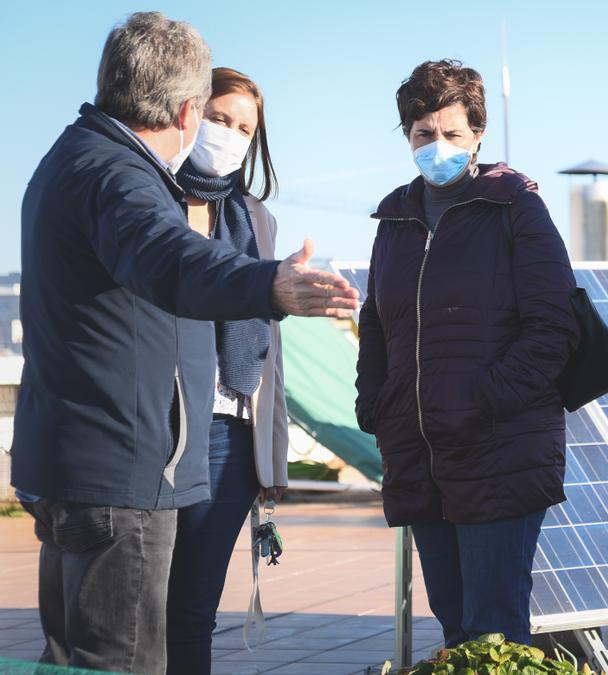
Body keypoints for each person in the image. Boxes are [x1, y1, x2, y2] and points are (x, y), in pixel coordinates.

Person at [11, 13, 357, 673]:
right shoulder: (120, 179)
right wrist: (270, 286)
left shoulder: (72, 156)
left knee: (75, 662)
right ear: (187, 110)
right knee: (122, 660)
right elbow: (173, 259)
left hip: (74, 463)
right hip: (121, 476)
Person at [354, 59, 578, 648]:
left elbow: (554, 326)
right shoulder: (394, 220)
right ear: (407, 136)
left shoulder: (514, 208)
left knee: (493, 630)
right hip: (419, 450)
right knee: (455, 626)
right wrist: (375, 404)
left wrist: (480, 401)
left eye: (452, 133)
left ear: (478, 133)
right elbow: (376, 324)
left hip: (498, 448)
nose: (438, 146)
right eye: (424, 134)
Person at [164, 66, 290, 675]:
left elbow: (270, 348)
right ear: (189, 112)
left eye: (245, 128)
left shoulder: (256, 219)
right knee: (141, 607)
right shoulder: (151, 195)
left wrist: (272, 454)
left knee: (193, 612)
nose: (231, 135)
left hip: (231, 435)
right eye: (219, 119)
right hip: (164, 429)